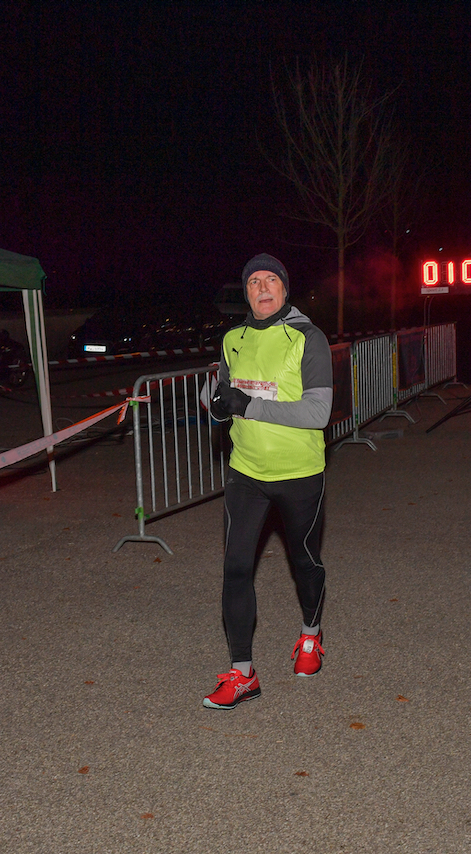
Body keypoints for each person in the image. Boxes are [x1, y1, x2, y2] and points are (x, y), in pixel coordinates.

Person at [203, 253, 333, 710]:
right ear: (246, 292)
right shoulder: (232, 338)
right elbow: (220, 390)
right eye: (253, 281)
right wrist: (215, 404)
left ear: (284, 288)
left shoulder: (308, 338)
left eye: (270, 280)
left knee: (304, 562)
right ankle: (242, 675)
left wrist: (247, 406)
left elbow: (318, 413)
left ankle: (311, 637)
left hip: (300, 473)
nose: (261, 287)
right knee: (236, 567)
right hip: (246, 473)